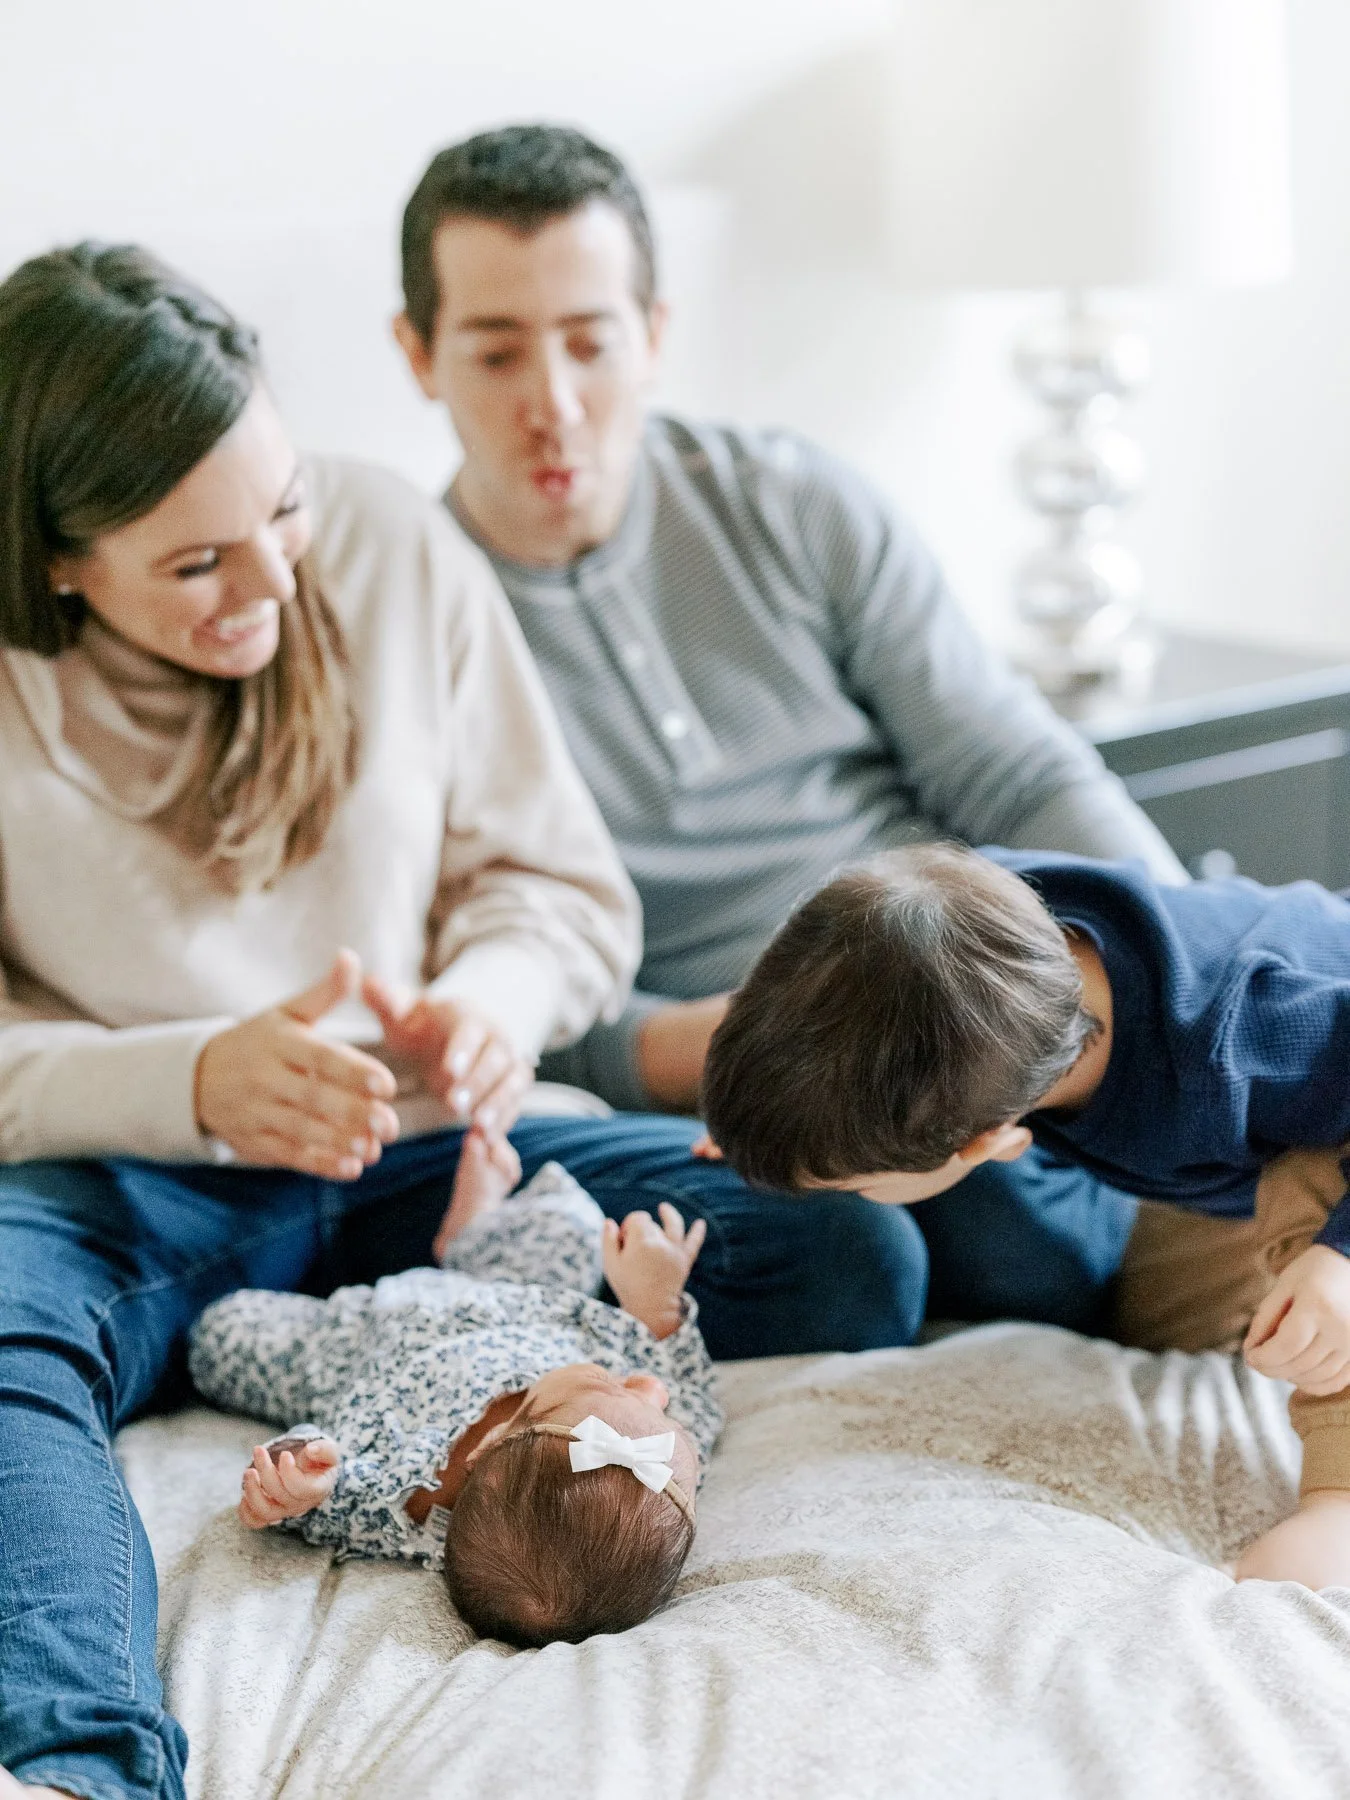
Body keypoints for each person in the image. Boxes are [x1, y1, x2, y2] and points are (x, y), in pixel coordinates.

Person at [0, 243, 928, 1800]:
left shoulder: (381, 544)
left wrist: (486, 1011)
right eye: (196, 566)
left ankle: (391, 1356)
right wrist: (195, 1077)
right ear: (55, 564)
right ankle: (79, 1769)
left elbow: (558, 889)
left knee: (846, 1249)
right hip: (131, 1179)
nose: (276, 583)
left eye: (279, 511)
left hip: (435, 1158)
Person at [390, 121, 1184, 1336]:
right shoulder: (408, 616)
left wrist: (1173, 951)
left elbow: (1014, 769)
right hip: (719, 1067)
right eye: (496, 354)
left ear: (652, 335)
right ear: (419, 354)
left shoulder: (789, 499)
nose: (552, 405)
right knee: (871, 1244)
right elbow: (500, 981)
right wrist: (725, 1053)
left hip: (953, 978)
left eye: (591, 344)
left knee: (1048, 1190)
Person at [699, 842, 1350, 1587]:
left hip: (1326, 1116)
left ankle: (1338, 1501)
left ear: (992, 1144)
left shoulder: (1243, 1043)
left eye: (852, 1184)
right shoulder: (976, 925)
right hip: (1220, 1160)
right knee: (1180, 1323)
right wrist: (778, 1120)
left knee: (1314, 1239)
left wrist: (1340, 1258)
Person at [189, 1132, 722, 1648]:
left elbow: (332, 1493)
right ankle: (468, 1237)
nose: (650, 1385)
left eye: (609, 1382)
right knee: (573, 1221)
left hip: (353, 1344)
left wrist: (296, 1478)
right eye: (666, 1416)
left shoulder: (407, 1501)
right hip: (513, 1303)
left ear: (492, 1446)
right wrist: (657, 1306)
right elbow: (692, 1395)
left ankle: (465, 1237)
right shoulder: (666, 1471)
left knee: (218, 1333)